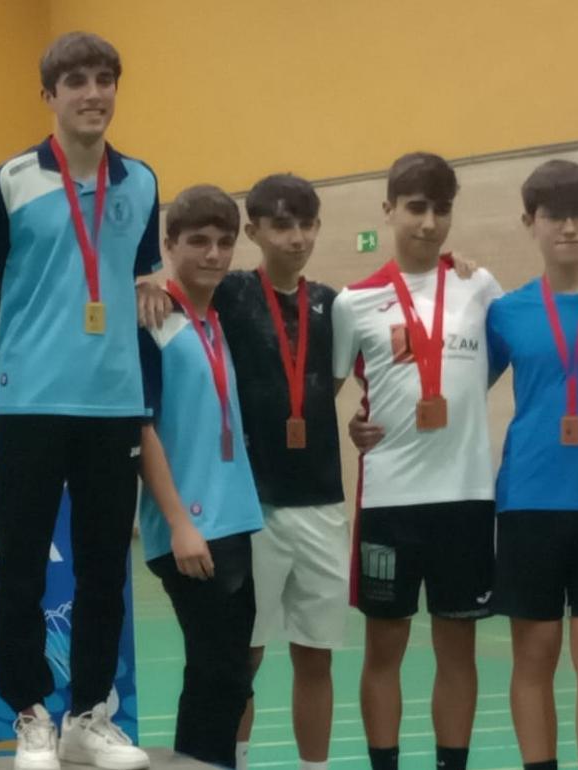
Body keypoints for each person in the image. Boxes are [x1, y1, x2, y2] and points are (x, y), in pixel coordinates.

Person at [0, 30, 157, 770]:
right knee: (20, 565)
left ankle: (88, 714)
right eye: (75, 81)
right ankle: (31, 716)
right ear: (49, 96)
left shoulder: (141, 182)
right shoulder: (9, 180)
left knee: (105, 565)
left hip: (113, 405)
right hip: (28, 406)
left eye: (104, 79)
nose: (92, 93)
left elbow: (140, 280)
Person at [331, 152, 502, 770]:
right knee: (385, 651)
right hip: (389, 501)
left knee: (459, 652)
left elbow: (505, 355)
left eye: (442, 209)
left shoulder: (479, 286)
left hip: (466, 499)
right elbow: (329, 387)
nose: (430, 223)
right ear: (388, 211)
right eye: (416, 208)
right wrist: (353, 423)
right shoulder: (355, 301)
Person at [210, 174, 348, 770]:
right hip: (251, 505)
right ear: (255, 230)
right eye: (282, 225)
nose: (297, 238)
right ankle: (233, 761)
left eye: (306, 224)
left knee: (316, 655)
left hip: (321, 503)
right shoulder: (229, 293)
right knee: (246, 655)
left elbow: (337, 385)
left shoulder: (335, 306)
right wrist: (147, 288)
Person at [138, 184, 264, 770]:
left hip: (233, 518)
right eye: (197, 242)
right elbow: (141, 430)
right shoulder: (152, 319)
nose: (213, 254)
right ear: (169, 244)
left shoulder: (215, 318)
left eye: (223, 243)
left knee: (229, 677)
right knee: (217, 672)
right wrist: (176, 522)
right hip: (189, 526)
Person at [486, 159, 578, 770]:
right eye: (555, 216)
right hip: (530, 502)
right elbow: (459, 393)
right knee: (536, 655)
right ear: (530, 222)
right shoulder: (508, 311)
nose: (570, 227)